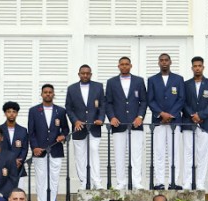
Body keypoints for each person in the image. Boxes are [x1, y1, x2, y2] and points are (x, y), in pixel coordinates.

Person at [105, 56, 148, 190]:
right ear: (118, 66)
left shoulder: (139, 81)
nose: (124, 66)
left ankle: (136, 182)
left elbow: (144, 101)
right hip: (118, 124)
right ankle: (121, 182)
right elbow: (108, 102)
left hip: (136, 124)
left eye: (126, 64)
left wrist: (140, 117)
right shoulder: (111, 82)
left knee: (136, 154)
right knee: (119, 154)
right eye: (122, 64)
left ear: (130, 66)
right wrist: (112, 117)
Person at [28, 84, 70, 201]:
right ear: (41, 94)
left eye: (50, 92)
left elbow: (66, 129)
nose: (48, 94)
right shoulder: (34, 111)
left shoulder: (60, 111)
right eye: (45, 92)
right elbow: (31, 132)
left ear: (53, 94)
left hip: (55, 149)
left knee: (54, 178)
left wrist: (63, 136)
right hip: (39, 151)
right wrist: (34, 147)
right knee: (40, 178)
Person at [148, 53, 185, 190]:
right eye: (161, 60)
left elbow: (181, 99)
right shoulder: (152, 80)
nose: (164, 62)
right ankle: (159, 182)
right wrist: (161, 114)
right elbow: (150, 100)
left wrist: (170, 115)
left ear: (170, 62)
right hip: (158, 122)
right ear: (158, 63)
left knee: (174, 152)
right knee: (159, 152)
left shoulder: (178, 79)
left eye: (166, 60)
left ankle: (173, 181)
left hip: (174, 121)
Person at [65, 64, 106, 190]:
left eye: (87, 73)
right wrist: (75, 121)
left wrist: (101, 119)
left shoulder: (98, 87)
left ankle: (97, 181)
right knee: (80, 156)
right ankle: (84, 181)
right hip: (79, 128)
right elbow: (69, 108)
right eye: (83, 73)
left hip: (94, 127)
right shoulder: (72, 88)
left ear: (91, 74)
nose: (85, 75)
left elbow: (102, 105)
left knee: (94, 152)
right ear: (79, 74)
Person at [181, 56, 208, 191]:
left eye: (199, 66)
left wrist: (201, 115)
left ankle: (200, 183)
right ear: (192, 68)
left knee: (203, 154)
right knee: (188, 153)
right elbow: (182, 102)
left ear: (203, 67)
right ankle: (186, 182)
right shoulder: (185, 84)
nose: (197, 68)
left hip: (205, 123)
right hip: (188, 122)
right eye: (195, 66)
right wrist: (193, 115)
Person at [0, 101, 29, 177]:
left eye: (14, 112)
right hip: (2, 166)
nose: (11, 114)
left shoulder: (23, 130)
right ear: (5, 113)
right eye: (9, 112)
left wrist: (19, 161)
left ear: (17, 113)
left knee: (19, 185)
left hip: (18, 167)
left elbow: (24, 149)